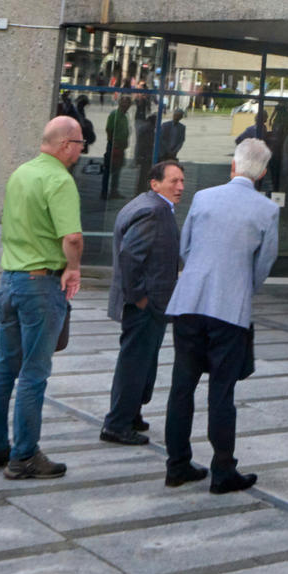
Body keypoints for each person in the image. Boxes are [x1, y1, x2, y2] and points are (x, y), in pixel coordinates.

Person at [162, 136, 280, 492]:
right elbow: (265, 263)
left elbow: (185, 246)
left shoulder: (203, 197)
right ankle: (223, 469)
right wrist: (242, 286)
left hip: (189, 302)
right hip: (230, 308)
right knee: (221, 391)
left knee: (182, 386)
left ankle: (177, 464)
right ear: (262, 173)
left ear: (233, 165)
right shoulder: (267, 210)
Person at [0, 117, 86, 479]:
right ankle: (24, 455)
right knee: (33, 374)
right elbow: (71, 237)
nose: (81, 151)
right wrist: (73, 268)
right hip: (41, 284)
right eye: (81, 144)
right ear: (65, 145)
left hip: (9, 281)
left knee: (4, 366)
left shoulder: (21, 173)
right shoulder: (59, 179)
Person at [102, 160, 186, 443]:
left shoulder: (146, 204)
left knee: (142, 362)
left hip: (149, 304)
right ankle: (116, 424)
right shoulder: (153, 211)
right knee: (135, 363)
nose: (180, 187)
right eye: (173, 181)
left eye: (182, 181)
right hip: (145, 306)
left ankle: (131, 413)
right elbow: (130, 256)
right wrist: (140, 299)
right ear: (155, 183)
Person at [103, 98, 132, 198]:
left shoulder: (125, 116)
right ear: (120, 103)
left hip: (121, 146)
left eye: (128, 103)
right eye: (124, 103)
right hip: (114, 146)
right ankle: (104, 192)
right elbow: (109, 130)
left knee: (117, 170)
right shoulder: (114, 115)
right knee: (109, 169)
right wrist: (113, 143)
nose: (126, 105)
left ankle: (114, 191)